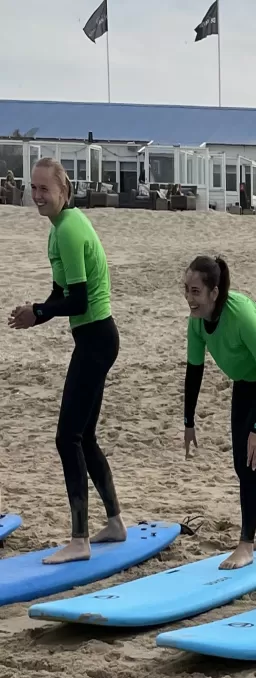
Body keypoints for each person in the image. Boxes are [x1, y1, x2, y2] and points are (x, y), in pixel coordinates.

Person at [6, 157, 126, 563]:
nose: (37, 196)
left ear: (63, 190)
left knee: (67, 437)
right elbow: (63, 295)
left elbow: (76, 298)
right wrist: (36, 314)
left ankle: (79, 540)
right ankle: (114, 522)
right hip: (94, 337)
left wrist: (41, 310)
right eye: (33, 188)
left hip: (96, 338)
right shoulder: (59, 230)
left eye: (45, 189)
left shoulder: (71, 231)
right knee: (83, 436)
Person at [182, 256, 256, 570]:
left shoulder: (241, 315)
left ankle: (246, 544)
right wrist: (189, 420)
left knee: (249, 461)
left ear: (214, 293)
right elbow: (194, 370)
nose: (190, 298)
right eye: (186, 290)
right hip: (246, 383)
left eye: (196, 291)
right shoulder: (196, 322)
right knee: (243, 462)